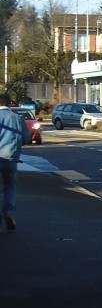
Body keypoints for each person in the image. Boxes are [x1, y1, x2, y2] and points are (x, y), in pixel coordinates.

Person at [0, 95, 33, 232]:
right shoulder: (17, 118)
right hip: (11, 158)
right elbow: (26, 138)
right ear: (9, 104)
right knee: (10, 187)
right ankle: (9, 212)